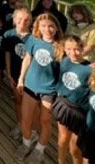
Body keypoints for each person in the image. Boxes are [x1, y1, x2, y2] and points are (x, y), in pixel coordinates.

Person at [15, 13, 64, 164]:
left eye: (51, 26)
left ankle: (39, 150)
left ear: (56, 27)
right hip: (30, 85)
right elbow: (27, 58)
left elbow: (65, 69)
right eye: (43, 26)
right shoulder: (33, 40)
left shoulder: (61, 45)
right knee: (26, 119)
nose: (47, 29)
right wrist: (21, 79)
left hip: (49, 89)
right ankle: (26, 143)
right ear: (38, 27)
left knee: (45, 120)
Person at [53, 35, 92, 164]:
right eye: (69, 49)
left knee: (75, 148)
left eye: (76, 49)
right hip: (64, 105)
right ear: (64, 49)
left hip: (80, 111)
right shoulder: (64, 61)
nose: (73, 53)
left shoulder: (90, 68)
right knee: (63, 139)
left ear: (82, 48)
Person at [3, 8, 34, 141]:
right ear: (14, 20)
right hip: (14, 73)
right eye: (20, 19)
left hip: (30, 75)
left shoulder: (34, 37)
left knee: (31, 104)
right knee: (18, 100)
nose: (23, 23)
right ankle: (20, 123)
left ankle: (30, 128)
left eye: (27, 20)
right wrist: (9, 74)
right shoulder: (9, 35)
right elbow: (8, 54)